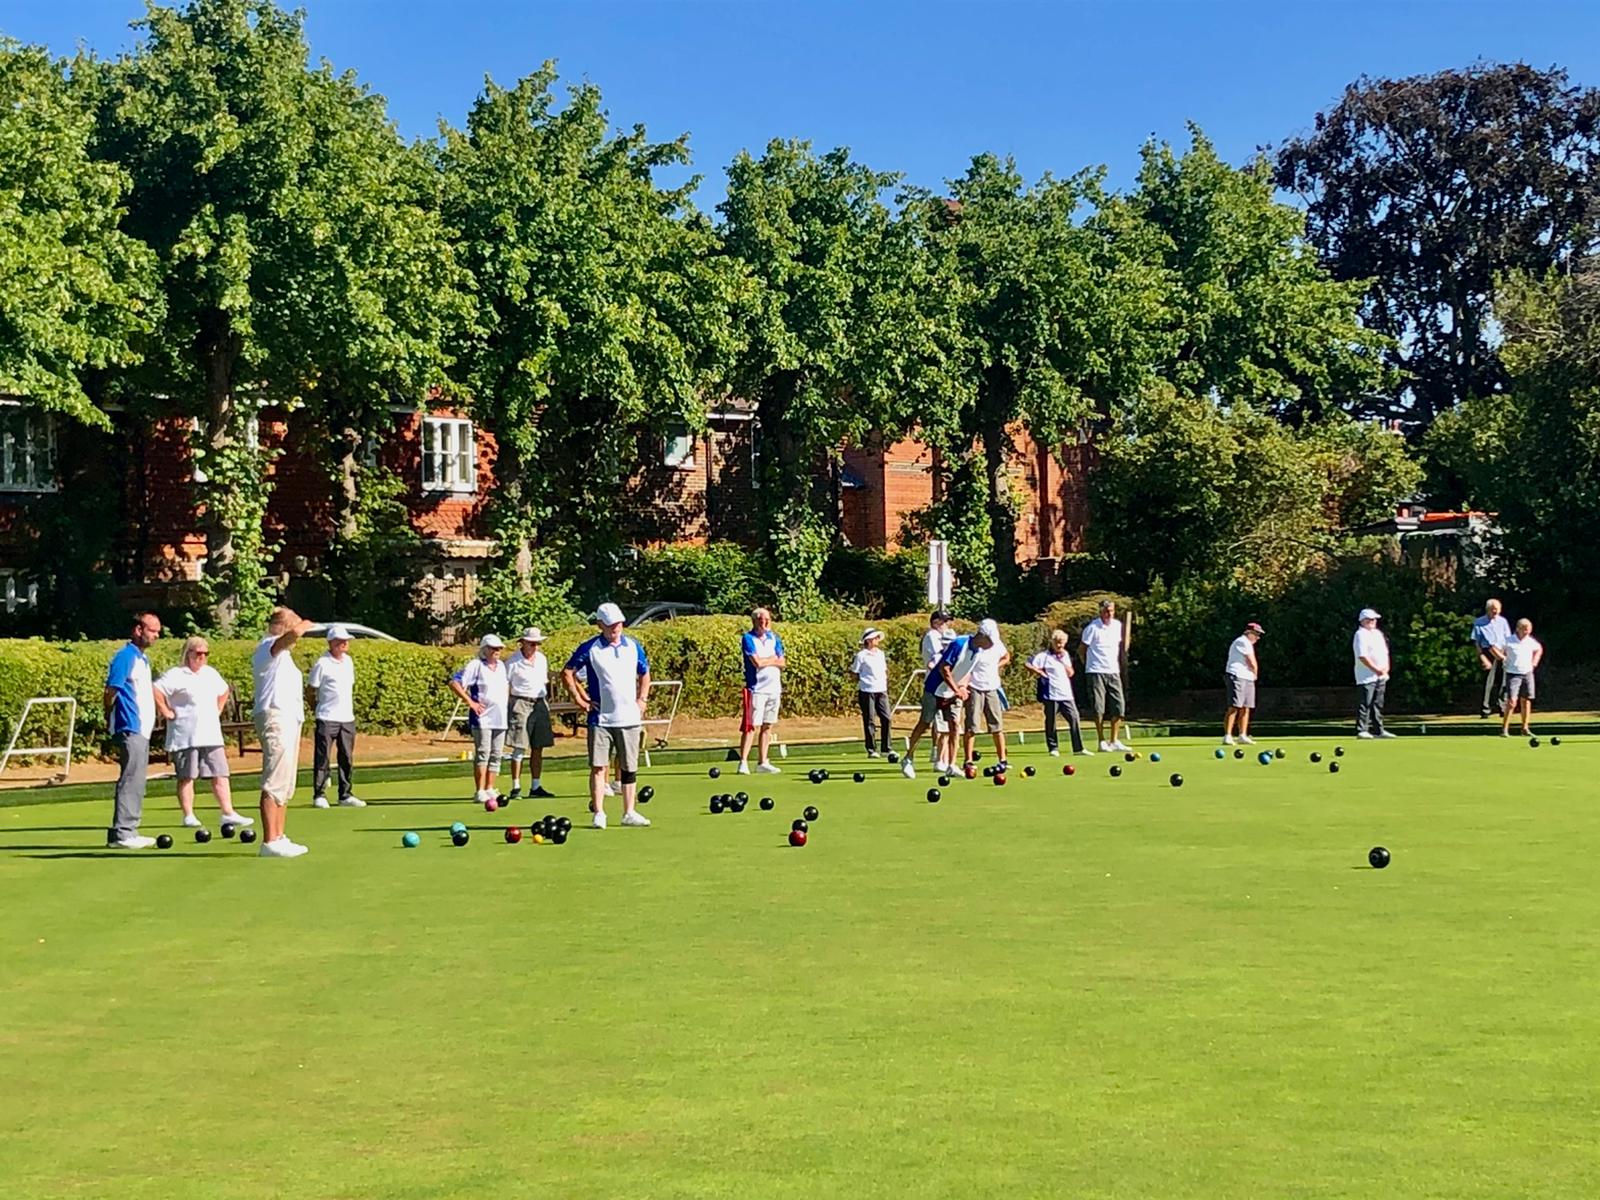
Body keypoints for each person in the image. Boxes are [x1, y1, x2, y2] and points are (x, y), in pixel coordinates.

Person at [562, 602, 651, 829]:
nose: (616, 628)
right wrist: (579, 699)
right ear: (600, 624)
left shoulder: (633, 646)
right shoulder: (590, 648)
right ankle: (599, 813)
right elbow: (568, 672)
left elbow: (645, 673)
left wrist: (642, 699)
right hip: (600, 718)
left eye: (619, 623)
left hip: (629, 717)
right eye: (611, 624)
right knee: (599, 766)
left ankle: (629, 812)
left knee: (629, 767)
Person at [153, 635, 252, 831]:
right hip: (185, 734)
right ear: (188, 653)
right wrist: (165, 711)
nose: (202, 657)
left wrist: (218, 708)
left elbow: (224, 691)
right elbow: (156, 689)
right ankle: (188, 815)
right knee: (187, 776)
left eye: (205, 654)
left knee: (220, 774)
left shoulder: (210, 673)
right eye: (198, 653)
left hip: (210, 734)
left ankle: (228, 812)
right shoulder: (176, 674)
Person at [252, 606, 316, 858]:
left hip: (290, 718)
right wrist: (304, 624)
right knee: (274, 779)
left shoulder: (284, 655)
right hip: (275, 716)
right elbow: (291, 636)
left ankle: (279, 835)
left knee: (286, 782)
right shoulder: (268, 647)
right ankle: (269, 841)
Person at [104, 611, 161, 849]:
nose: (156, 636)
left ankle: (129, 829)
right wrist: (109, 716)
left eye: (158, 631)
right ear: (138, 630)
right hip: (131, 726)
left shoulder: (142, 659)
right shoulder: (126, 656)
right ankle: (123, 833)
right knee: (131, 778)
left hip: (142, 729)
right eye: (152, 630)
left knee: (137, 779)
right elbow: (111, 690)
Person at [449, 634, 509, 804]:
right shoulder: (476, 665)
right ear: (484, 649)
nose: (496, 651)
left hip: (500, 717)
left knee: (497, 754)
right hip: (482, 717)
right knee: (483, 753)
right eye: (493, 648)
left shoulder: (502, 666)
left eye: (498, 648)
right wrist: (471, 702)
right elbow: (455, 683)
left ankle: (490, 787)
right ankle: (480, 790)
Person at [308, 625, 364, 808]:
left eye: (345, 641)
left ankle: (345, 795)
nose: (344, 644)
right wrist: (316, 708)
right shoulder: (322, 663)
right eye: (340, 641)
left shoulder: (348, 662)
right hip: (326, 716)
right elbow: (310, 690)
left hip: (347, 718)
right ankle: (319, 794)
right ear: (331, 643)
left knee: (346, 757)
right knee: (323, 757)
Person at [506, 627, 556, 800]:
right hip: (520, 702)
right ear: (523, 643)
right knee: (519, 746)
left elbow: (543, 682)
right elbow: (506, 686)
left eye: (537, 643)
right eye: (532, 643)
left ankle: (536, 786)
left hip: (540, 703)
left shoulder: (542, 659)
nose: (535, 646)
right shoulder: (513, 662)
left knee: (538, 746)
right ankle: (516, 787)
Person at [737, 607, 785, 775]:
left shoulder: (775, 638)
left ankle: (762, 762)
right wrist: (772, 659)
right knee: (751, 726)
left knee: (768, 725)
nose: (765, 623)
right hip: (756, 689)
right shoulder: (748, 638)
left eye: (767, 619)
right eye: (762, 620)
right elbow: (757, 662)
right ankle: (743, 762)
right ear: (755, 621)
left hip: (774, 688)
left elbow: (782, 662)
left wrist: (770, 660)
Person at [1027, 629, 1088, 757]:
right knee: (1051, 721)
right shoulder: (1044, 656)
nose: (1060, 645)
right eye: (1057, 643)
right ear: (1052, 642)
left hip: (1066, 693)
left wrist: (1062, 662)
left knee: (1074, 718)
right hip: (1051, 693)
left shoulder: (1065, 655)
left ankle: (1078, 748)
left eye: (1062, 643)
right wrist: (1039, 672)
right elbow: (1028, 663)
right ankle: (1053, 747)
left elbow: (1071, 673)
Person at [960, 618, 1010, 768]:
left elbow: (1006, 656)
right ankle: (968, 760)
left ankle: (1003, 760)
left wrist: (996, 666)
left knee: (997, 726)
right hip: (974, 687)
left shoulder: (997, 644)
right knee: (972, 726)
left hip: (992, 687)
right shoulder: (972, 646)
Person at [1081, 599, 1130, 752]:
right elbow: (1081, 650)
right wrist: (1089, 666)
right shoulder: (1092, 628)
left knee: (1119, 706)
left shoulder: (1117, 626)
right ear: (1100, 611)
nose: (1109, 614)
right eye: (1106, 611)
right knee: (1098, 707)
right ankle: (1101, 741)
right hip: (1096, 671)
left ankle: (1114, 740)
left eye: (1112, 611)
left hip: (1113, 671)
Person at [1353, 607, 1396, 739]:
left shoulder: (1378, 634)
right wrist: (1376, 669)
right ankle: (1362, 730)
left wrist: (1385, 668)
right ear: (1363, 621)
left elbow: (1385, 652)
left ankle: (1379, 730)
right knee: (1365, 702)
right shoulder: (1360, 635)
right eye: (1370, 619)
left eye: (1374, 619)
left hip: (1381, 675)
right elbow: (1362, 656)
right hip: (1366, 676)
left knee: (1378, 703)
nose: (1373, 621)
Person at [850, 628, 891, 757]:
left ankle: (886, 747)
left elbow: (884, 670)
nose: (878, 640)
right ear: (868, 640)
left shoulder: (881, 654)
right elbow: (854, 672)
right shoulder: (861, 655)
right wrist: (863, 682)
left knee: (887, 718)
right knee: (869, 720)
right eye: (875, 638)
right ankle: (871, 748)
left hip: (881, 689)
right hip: (867, 690)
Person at [1500, 618, 1543, 738]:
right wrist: (1503, 658)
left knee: (1526, 700)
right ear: (1518, 629)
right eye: (1525, 630)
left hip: (1527, 673)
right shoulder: (1508, 641)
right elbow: (1497, 649)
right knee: (1512, 702)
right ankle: (1504, 729)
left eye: (1529, 630)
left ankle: (1525, 728)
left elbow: (1539, 649)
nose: (1527, 632)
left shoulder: (1530, 641)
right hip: (1512, 673)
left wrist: (1534, 662)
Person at [1223, 622, 1264, 746]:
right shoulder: (1242, 641)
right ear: (1249, 633)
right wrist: (1256, 673)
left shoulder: (1248, 644)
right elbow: (1251, 660)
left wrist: (1252, 676)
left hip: (1247, 677)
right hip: (1237, 675)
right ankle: (1228, 736)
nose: (1258, 637)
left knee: (1246, 707)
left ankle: (1242, 735)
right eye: (1256, 634)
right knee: (1235, 706)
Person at [1471, 598, 1511, 718]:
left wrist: (1505, 654)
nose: (1495, 612)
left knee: (1503, 682)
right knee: (1488, 683)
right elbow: (1476, 642)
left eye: (1497, 610)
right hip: (1487, 653)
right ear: (1487, 610)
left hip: (1502, 652)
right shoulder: (1479, 622)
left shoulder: (1503, 621)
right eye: (1493, 610)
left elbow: (1507, 638)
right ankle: (1485, 709)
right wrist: (1482, 658)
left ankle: (1502, 707)